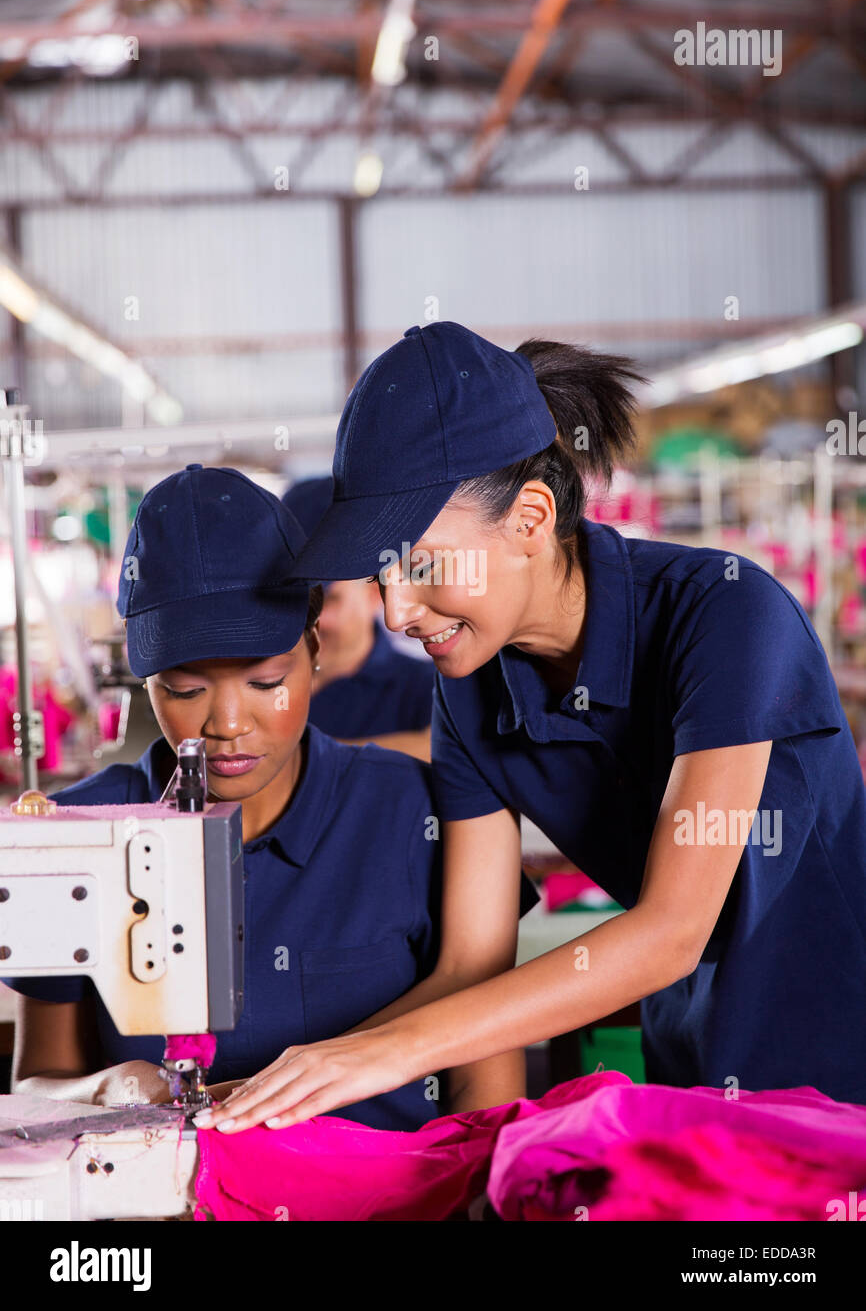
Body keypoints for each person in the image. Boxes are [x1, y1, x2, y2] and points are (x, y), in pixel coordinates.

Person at [196, 320, 866, 1139]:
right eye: (380, 576)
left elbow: (669, 934)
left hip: (839, 1067)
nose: (399, 611)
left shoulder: (728, 616)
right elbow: (471, 964)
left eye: (425, 565)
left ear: (530, 519)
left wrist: (383, 1057)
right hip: (691, 1071)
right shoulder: (469, 695)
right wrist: (268, 1086)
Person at [3, 462, 531, 1128]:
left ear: (314, 650)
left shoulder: (412, 812)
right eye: (186, 690)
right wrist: (108, 1086)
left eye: (264, 681)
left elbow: (487, 1091)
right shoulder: (78, 830)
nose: (226, 724)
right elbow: (36, 1082)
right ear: (146, 685)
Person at [282, 477, 433, 759]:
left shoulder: (426, 689)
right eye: (292, 600)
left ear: (376, 592)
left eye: (327, 601)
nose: (307, 621)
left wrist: (294, 759)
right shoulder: (254, 679)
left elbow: (453, 756)